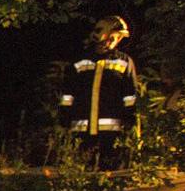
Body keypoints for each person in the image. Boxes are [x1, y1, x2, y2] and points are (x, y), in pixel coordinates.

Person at [58, 15, 140, 169]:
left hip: (111, 134)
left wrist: (130, 119)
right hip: (82, 131)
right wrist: (64, 116)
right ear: (108, 35)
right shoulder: (79, 61)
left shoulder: (124, 61)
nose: (117, 41)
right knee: (81, 171)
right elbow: (67, 93)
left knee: (109, 172)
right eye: (117, 36)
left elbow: (130, 95)